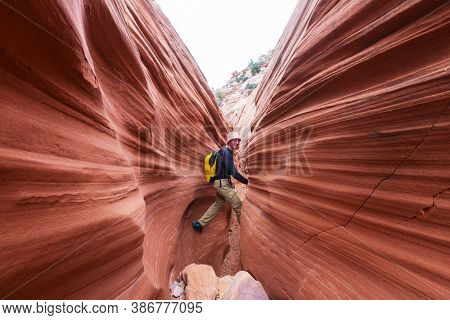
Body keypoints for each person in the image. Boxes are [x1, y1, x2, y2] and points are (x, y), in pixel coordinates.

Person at [192, 132, 248, 232]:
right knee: (238, 204)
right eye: (235, 140)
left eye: (238, 140)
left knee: (218, 204)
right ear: (229, 141)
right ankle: (247, 232)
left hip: (220, 183)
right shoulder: (226, 152)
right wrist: (246, 181)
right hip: (223, 185)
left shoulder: (224, 151)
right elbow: (233, 172)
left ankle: (199, 224)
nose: (237, 142)